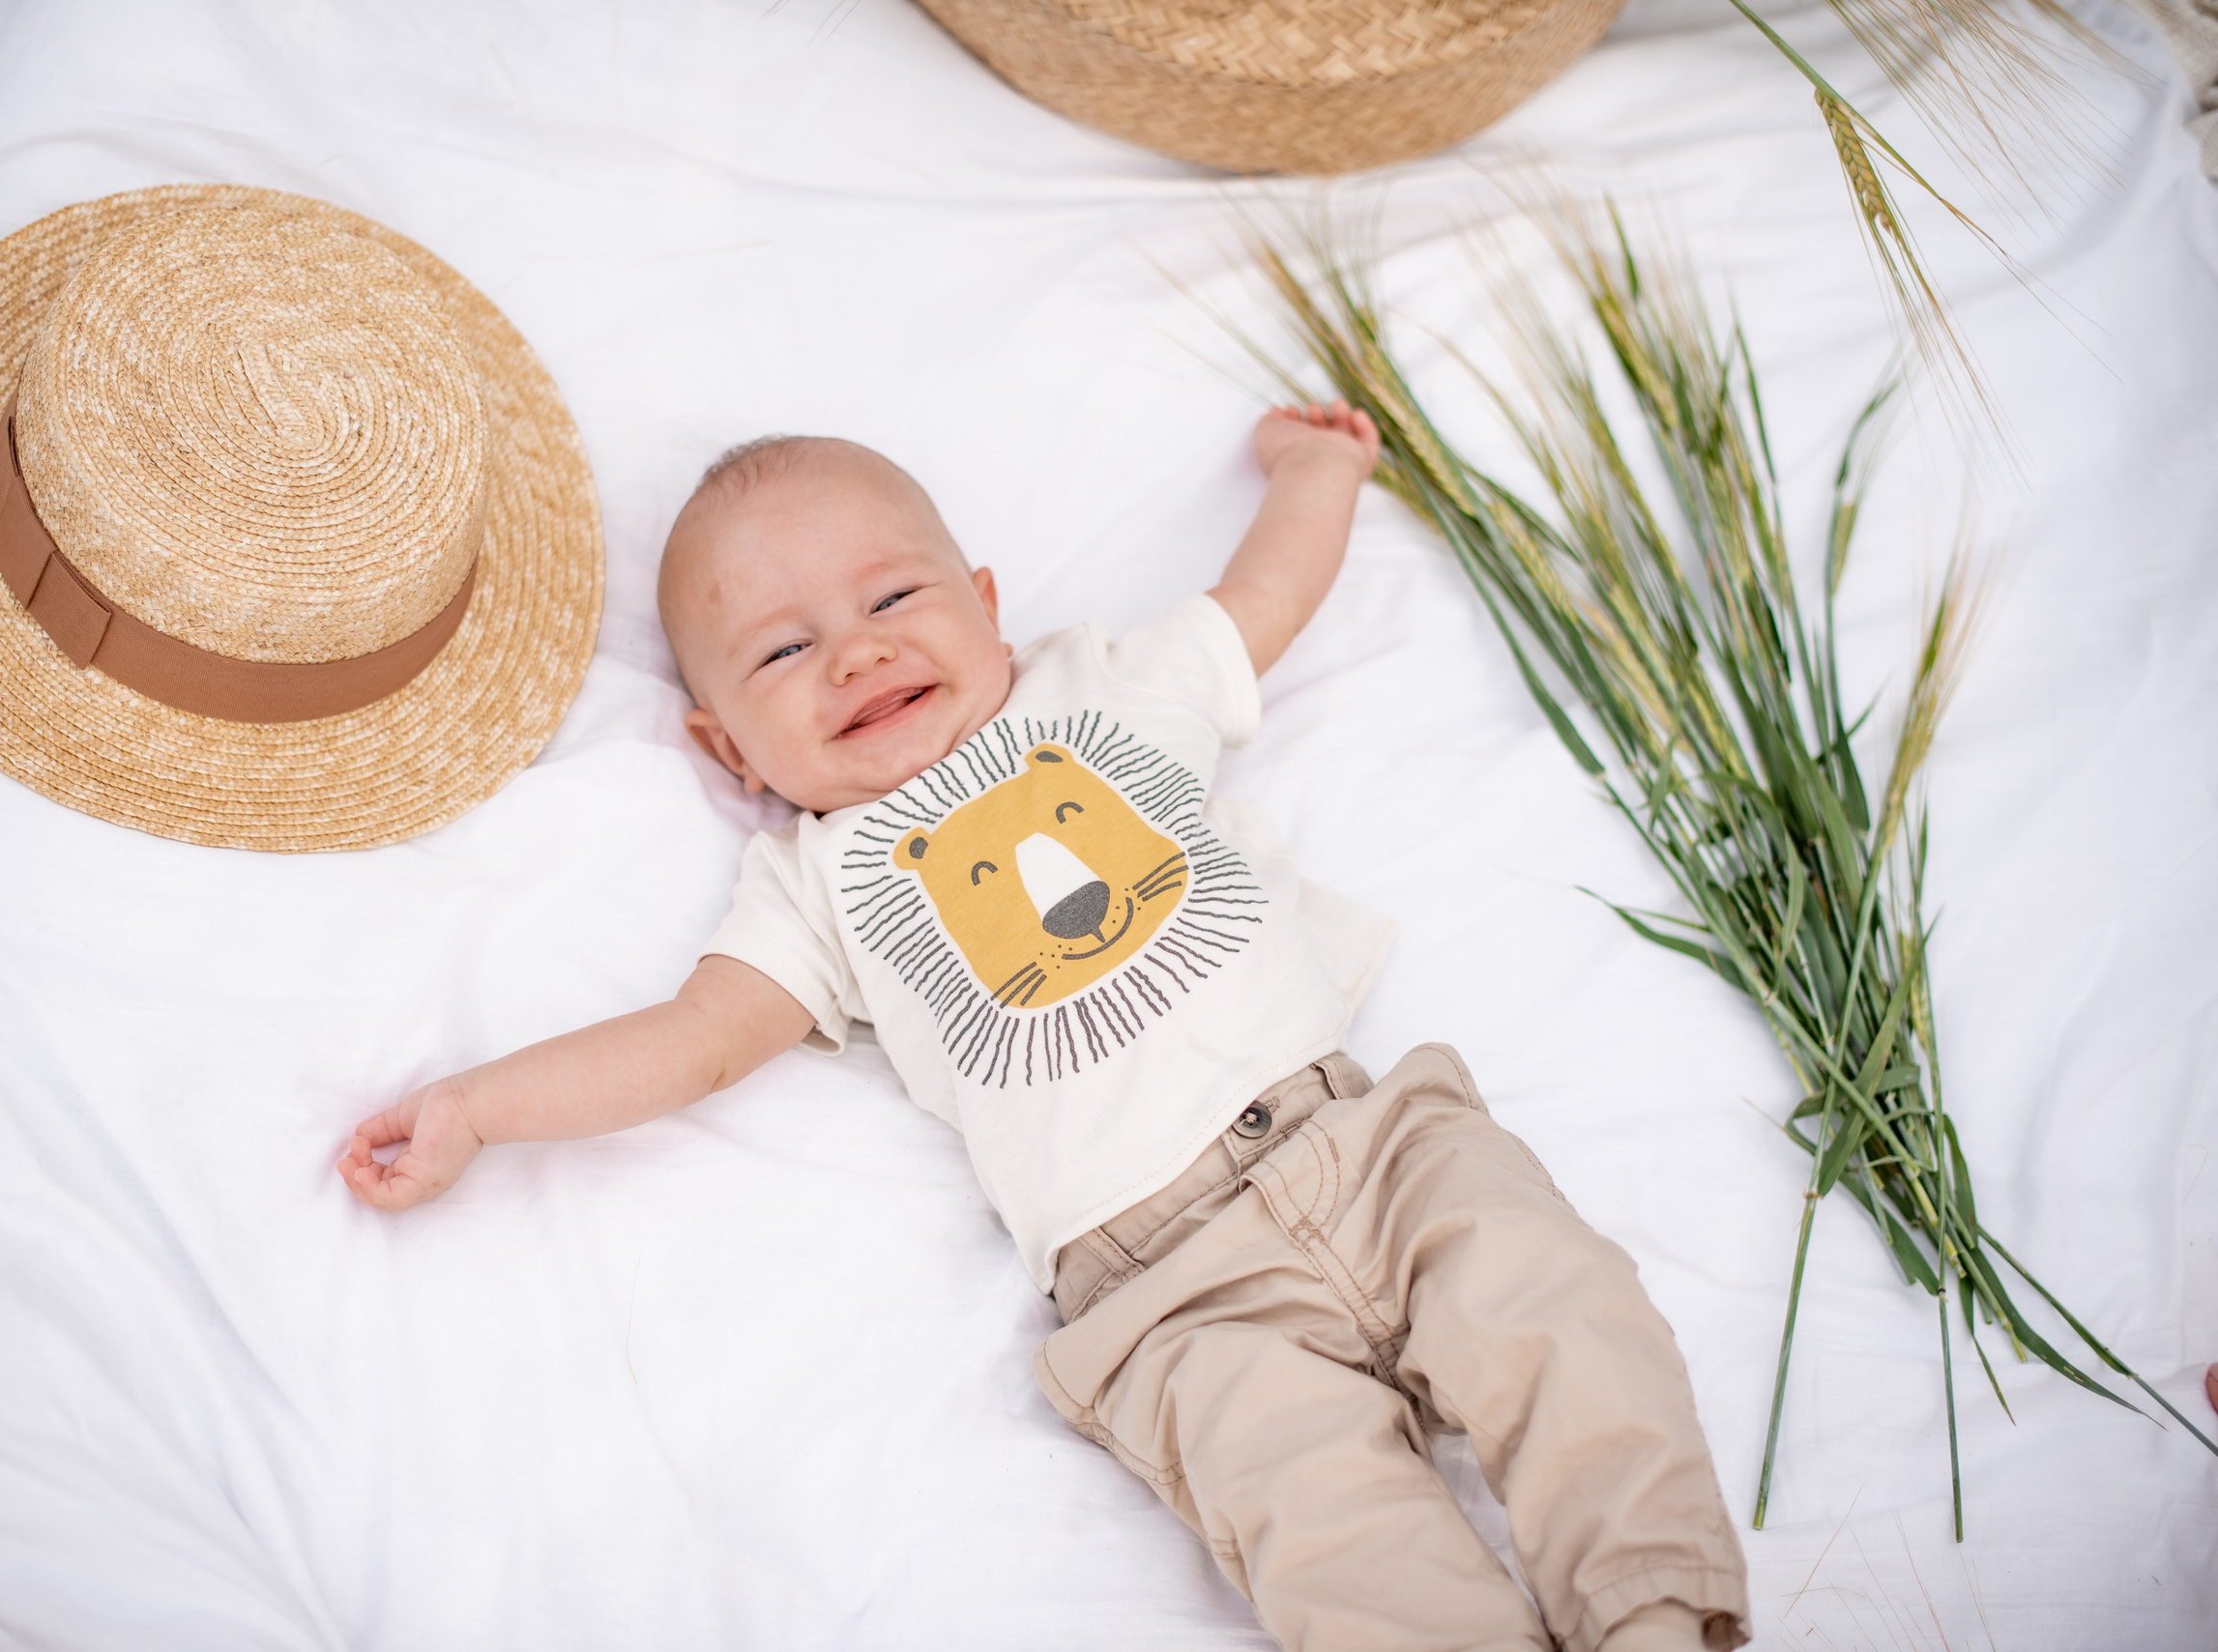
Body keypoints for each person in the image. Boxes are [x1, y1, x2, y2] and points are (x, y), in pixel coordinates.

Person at [337, 405, 1752, 1652]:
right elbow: (692, 1038)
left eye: (893, 594)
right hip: (1174, 1299)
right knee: (1324, 1523)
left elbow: (1259, 599)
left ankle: (1648, 1612)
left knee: (1558, 1312)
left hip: (1371, 1148)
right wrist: (479, 1109)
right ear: (727, 748)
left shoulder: (1103, 690)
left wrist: (1316, 473)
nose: (858, 651)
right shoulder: (815, 884)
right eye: (783, 649)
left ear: (987, 606)